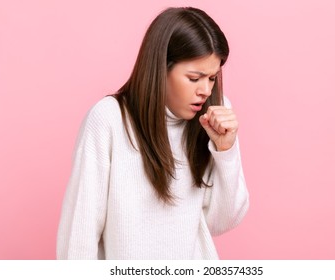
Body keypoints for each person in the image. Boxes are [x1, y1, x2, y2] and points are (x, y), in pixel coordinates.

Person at [57, 6, 249, 260]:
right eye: (194, 78)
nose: (205, 90)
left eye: (212, 78)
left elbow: (223, 221)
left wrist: (226, 150)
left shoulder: (213, 117)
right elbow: (79, 234)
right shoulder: (109, 119)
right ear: (161, 68)